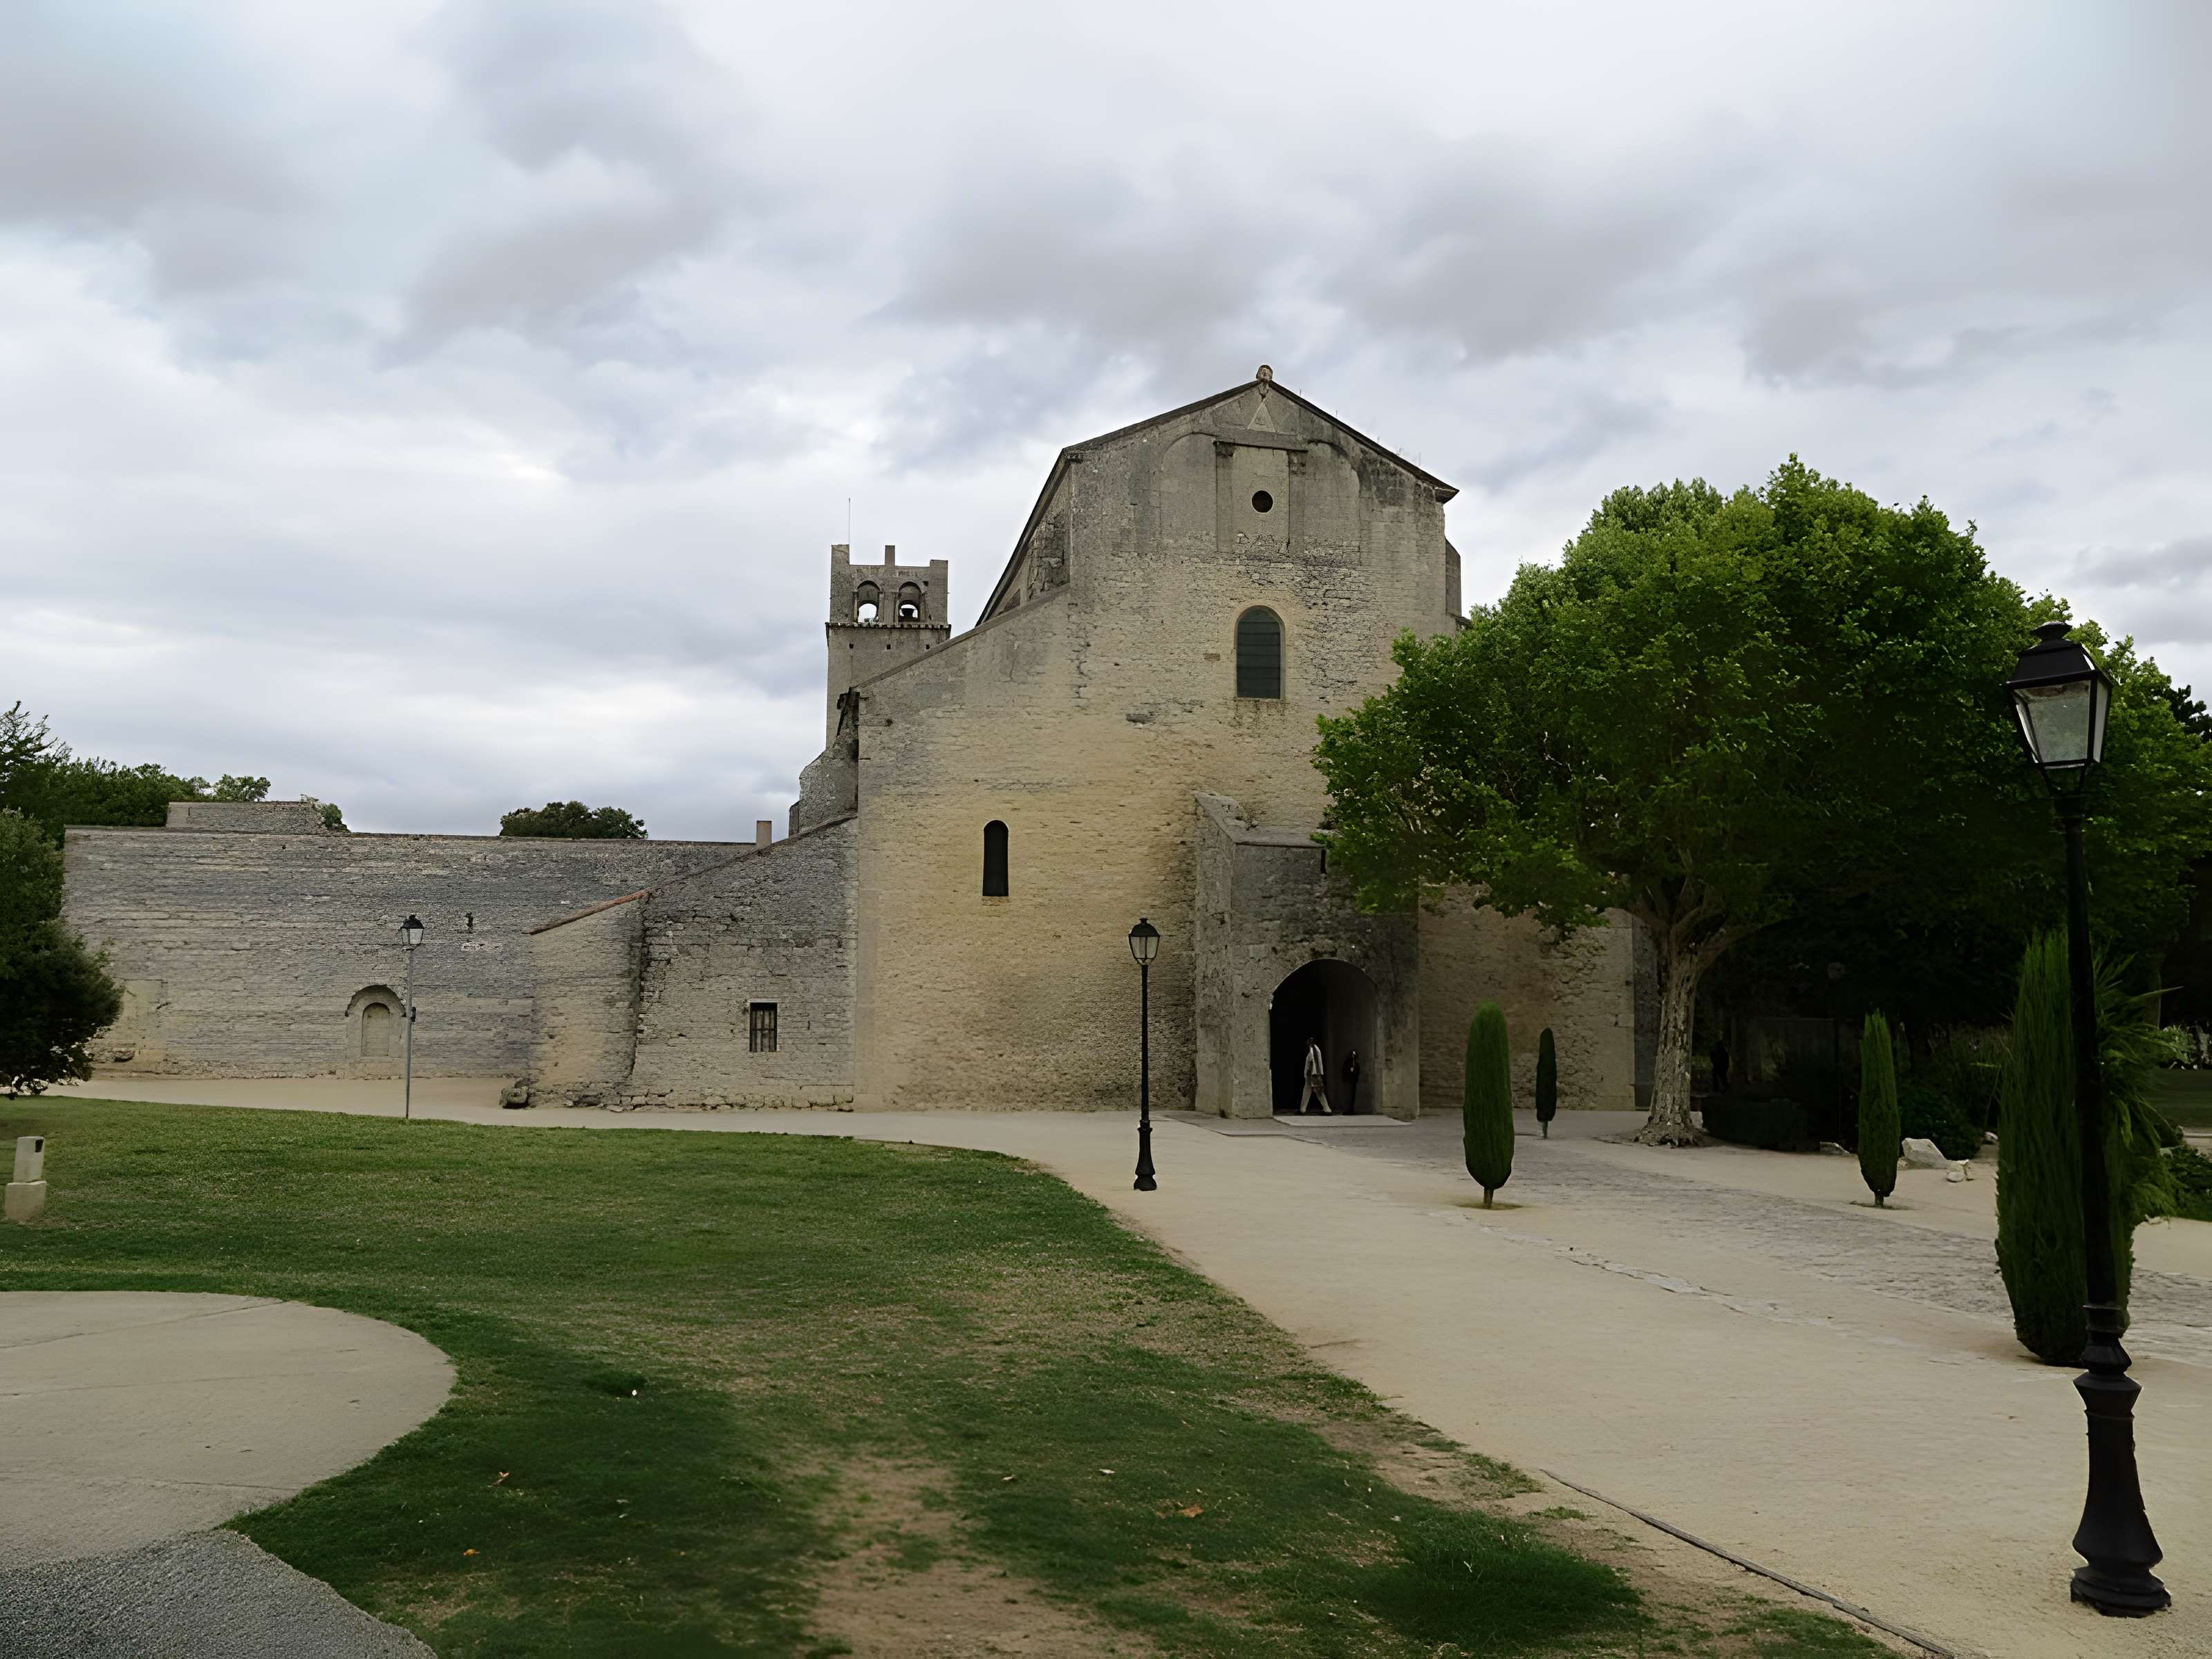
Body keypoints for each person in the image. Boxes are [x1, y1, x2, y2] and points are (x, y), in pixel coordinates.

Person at [1297, 1037, 1331, 1114]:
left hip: (1313, 1075)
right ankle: (1302, 1109)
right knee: (1308, 1092)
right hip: (1312, 1075)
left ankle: (1327, 1109)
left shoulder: (1314, 1051)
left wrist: (1311, 1074)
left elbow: (1313, 1064)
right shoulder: (1314, 1050)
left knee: (1319, 1092)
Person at [1340, 1048, 1362, 1115]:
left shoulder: (1355, 1064)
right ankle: (1347, 1110)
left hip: (1353, 1082)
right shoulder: (1348, 1063)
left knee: (1352, 1097)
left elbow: (1356, 1072)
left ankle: (1351, 1109)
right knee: (1348, 1096)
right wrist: (1352, 1069)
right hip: (1348, 1081)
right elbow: (1348, 1071)